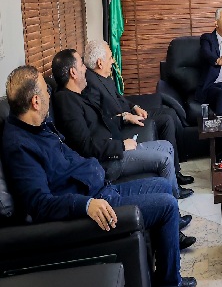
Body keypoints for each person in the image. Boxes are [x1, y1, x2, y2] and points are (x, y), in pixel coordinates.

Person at [2, 66, 203, 287]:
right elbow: (39, 204)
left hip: (102, 189)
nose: (49, 97)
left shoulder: (40, 126)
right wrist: (86, 205)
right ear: (35, 101)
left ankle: (164, 278)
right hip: (94, 205)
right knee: (167, 206)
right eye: (46, 92)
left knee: (163, 186)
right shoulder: (19, 146)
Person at [51, 49, 196, 247]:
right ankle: (173, 225)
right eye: (82, 65)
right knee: (163, 159)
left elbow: (102, 120)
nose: (86, 69)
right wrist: (120, 146)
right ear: (73, 72)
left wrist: (124, 118)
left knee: (165, 146)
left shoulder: (79, 95)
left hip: (113, 147)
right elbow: (85, 146)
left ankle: (173, 215)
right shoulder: (66, 101)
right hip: (107, 161)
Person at [82, 39, 194, 187]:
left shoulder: (103, 76)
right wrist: (125, 117)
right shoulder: (91, 86)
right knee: (166, 120)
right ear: (100, 63)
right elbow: (102, 118)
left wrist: (134, 106)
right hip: (124, 123)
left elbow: (119, 98)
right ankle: (175, 176)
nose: (113, 61)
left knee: (170, 113)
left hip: (130, 113)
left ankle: (176, 171)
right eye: (110, 57)